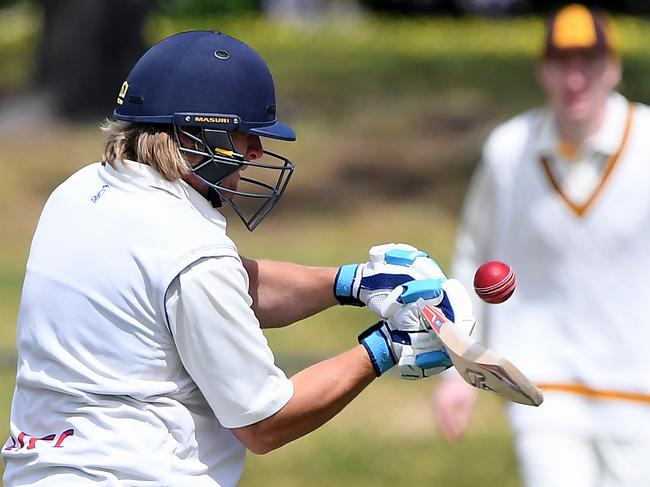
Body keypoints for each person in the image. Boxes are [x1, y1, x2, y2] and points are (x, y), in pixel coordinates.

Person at [1, 30, 467, 486]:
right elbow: (264, 422)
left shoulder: (79, 192)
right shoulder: (190, 253)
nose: (257, 151)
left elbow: (210, 289)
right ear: (197, 132)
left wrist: (353, 281)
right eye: (245, 134)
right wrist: (387, 348)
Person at [433, 4, 650, 487]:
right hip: (544, 386)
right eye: (562, 64)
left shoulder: (647, 142)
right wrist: (457, 368)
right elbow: (474, 254)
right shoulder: (509, 149)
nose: (575, 80)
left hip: (638, 388)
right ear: (543, 70)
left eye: (588, 64)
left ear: (612, 68)